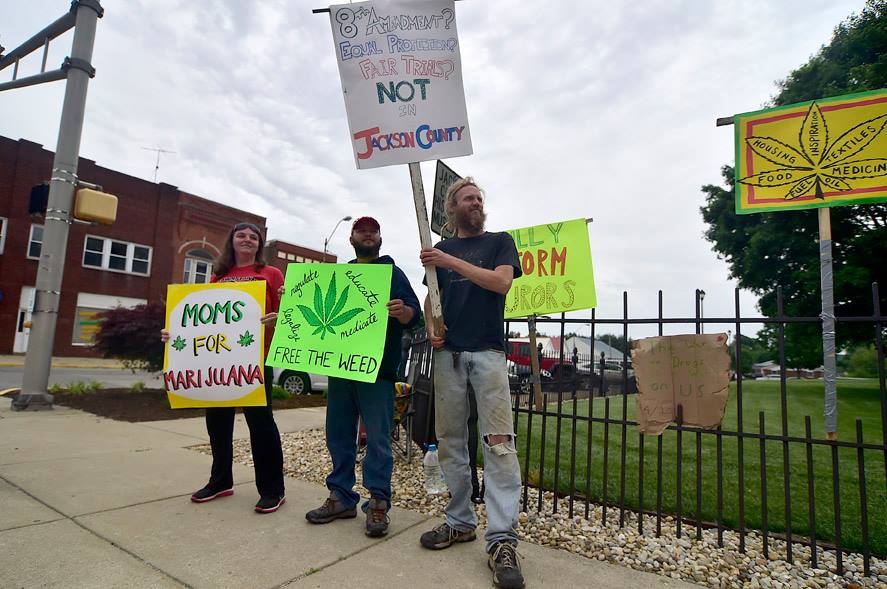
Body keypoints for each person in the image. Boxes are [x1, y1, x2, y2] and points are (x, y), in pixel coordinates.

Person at [418, 178, 525, 589]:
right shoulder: (441, 249)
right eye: (468, 198)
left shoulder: (499, 242)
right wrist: (431, 325)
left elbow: (501, 283)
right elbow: (431, 295)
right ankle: (460, 521)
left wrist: (449, 261)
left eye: (479, 197)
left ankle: (502, 540)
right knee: (450, 441)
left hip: (488, 354)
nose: (476, 202)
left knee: (498, 443)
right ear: (453, 208)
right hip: (449, 355)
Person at [305, 216, 421, 537]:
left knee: (379, 439)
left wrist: (404, 311)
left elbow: (414, 314)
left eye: (373, 231)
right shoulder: (340, 275)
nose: (368, 235)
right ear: (352, 238)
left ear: (380, 238)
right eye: (362, 231)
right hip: (341, 368)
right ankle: (340, 496)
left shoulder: (393, 274)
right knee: (339, 434)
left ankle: (379, 502)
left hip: (378, 370)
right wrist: (293, 299)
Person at [162, 221, 286, 513]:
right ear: (232, 241)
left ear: (259, 244)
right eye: (241, 235)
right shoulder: (218, 277)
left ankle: (273, 490)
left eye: (253, 236)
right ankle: (220, 481)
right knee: (217, 423)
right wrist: (175, 332)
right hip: (218, 361)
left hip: (256, 359)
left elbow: (287, 316)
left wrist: (279, 315)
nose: (247, 239)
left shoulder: (271, 274)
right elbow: (204, 321)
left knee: (261, 425)